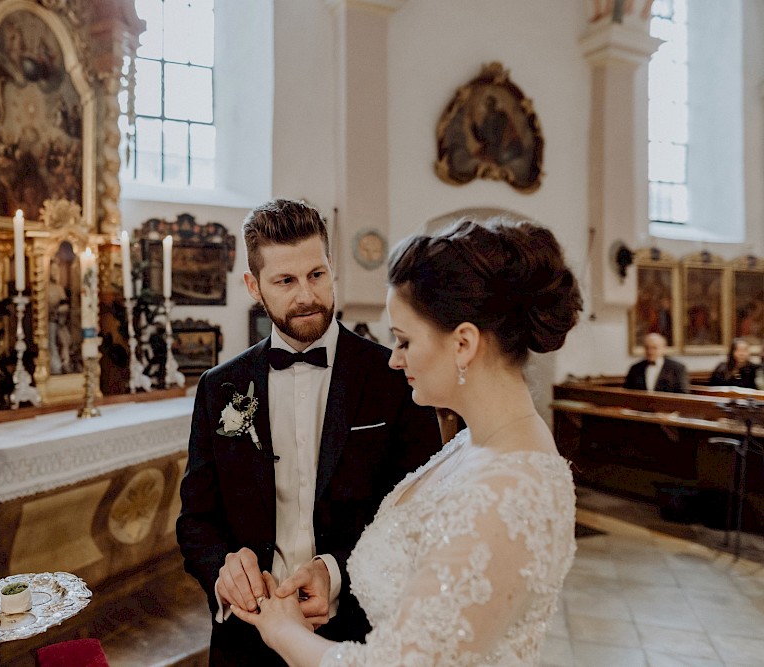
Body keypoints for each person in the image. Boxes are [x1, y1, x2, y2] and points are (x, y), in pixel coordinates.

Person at [231, 217, 582, 666]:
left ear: (463, 344)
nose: (394, 360)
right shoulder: (472, 445)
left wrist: (283, 631)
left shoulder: (506, 490)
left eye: (405, 341)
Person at [176, 199, 442, 666]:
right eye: (285, 281)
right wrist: (223, 570)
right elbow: (195, 519)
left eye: (317, 275)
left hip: (360, 631)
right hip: (247, 635)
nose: (306, 296)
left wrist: (335, 570)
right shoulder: (219, 388)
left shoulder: (394, 377)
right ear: (253, 286)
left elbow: (419, 515)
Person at [624, 332, 689, 393]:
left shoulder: (677, 368)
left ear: (664, 349)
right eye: (647, 348)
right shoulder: (635, 368)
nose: (650, 351)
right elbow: (628, 392)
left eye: (654, 348)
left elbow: (683, 393)